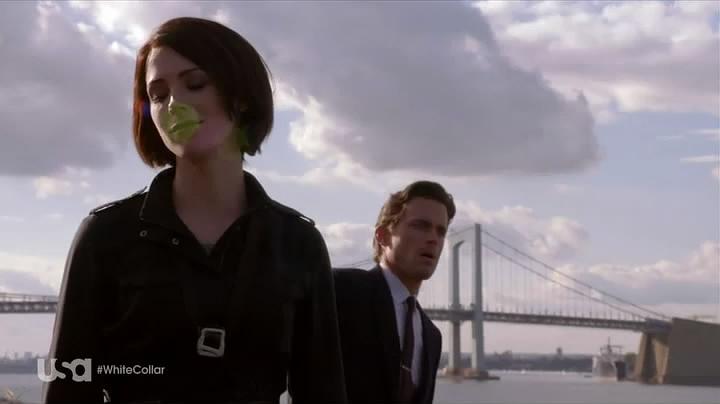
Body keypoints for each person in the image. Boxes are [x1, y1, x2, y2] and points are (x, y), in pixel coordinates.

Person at [43, 17, 346, 404]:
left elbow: (323, 391)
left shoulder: (298, 242)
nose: (174, 104)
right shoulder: (105, 235)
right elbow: (68, 383)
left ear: (241, 96)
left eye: (196, 83)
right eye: (157, 94)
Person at [334, 181, 455, 404]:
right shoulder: (340, 290)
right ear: (383, 236)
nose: (433, 239)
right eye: (421, 226)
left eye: (441, 231)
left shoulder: (431, 336)